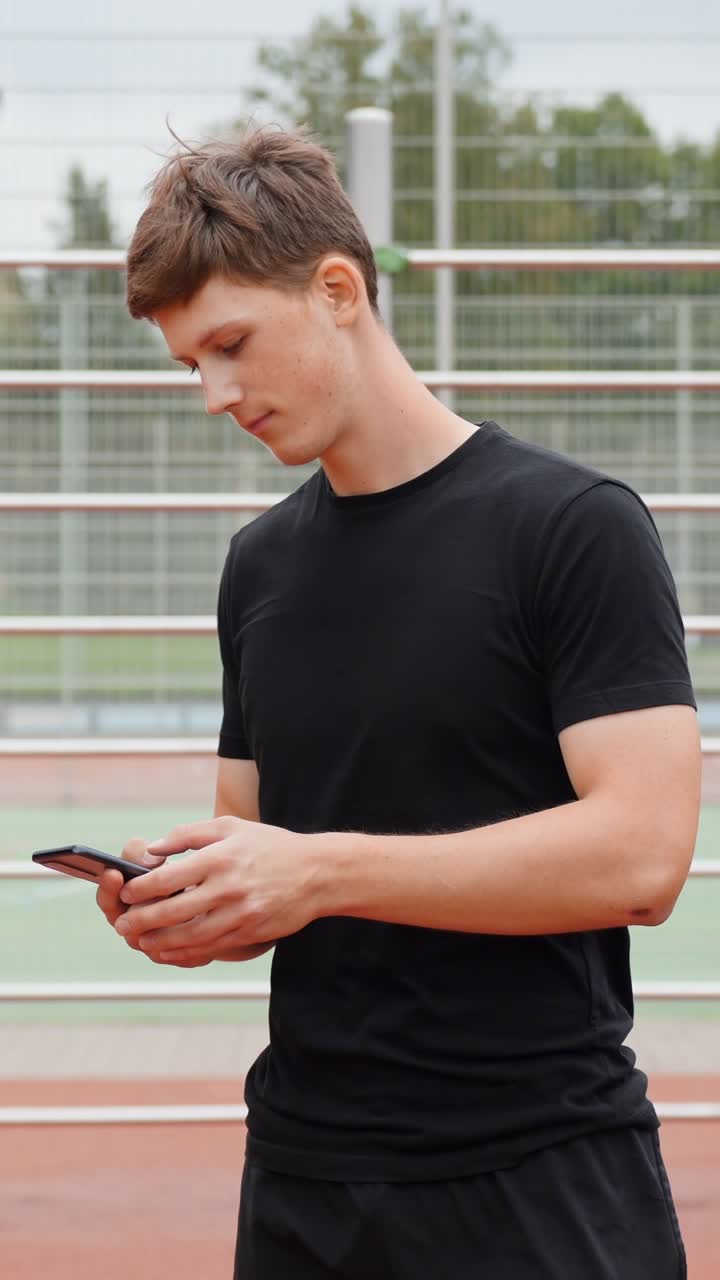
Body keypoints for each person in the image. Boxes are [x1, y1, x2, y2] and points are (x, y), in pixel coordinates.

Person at [96, 125, 700, 1279]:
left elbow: (643, 854)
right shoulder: (258, 565)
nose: (214, 394)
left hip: (537, 1176)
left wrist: (317, 868)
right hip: (303, 1178)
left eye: (230, 344)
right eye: (190, 365)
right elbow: (265, 848)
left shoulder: (572, 526)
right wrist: (192, 900)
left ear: (336, 290)